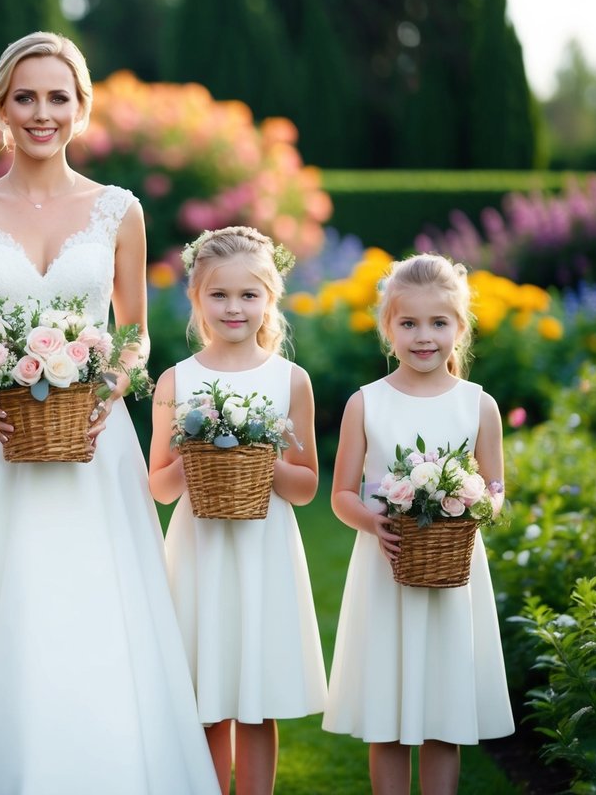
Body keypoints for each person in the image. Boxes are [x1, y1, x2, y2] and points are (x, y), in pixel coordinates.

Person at [0, 30, 217, 794]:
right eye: (26, 97)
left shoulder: (118, 211)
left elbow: (133, 335)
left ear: (81, 107)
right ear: (1, 109)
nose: (42, 112)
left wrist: (103, 391)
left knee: (94, 606)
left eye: (57, 97)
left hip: (93, 442)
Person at [322, 253, 514, 794]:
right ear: (388, 328)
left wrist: (470, 505)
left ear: (461, 327)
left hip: (452, 574)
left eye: (438, 323)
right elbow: (340, 495)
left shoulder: (479, 406)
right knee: (387, 718)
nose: (424, 336)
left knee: (442, 717)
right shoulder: (367, 404)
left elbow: (495, 492)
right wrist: (373, 520)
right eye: (408, 323)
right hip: (387, 569)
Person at [149, 227, 326, 795]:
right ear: (196, 299)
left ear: (270, 300)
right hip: (199, 551)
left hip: (262, 550)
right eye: (218, 295)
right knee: (205, 696)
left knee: (255, 699)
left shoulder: (289, 380)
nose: (234, 308)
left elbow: (304, 487)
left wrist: (259, 459)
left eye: (249, 295)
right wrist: (199, 458)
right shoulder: (177, 380)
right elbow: (160, 486)